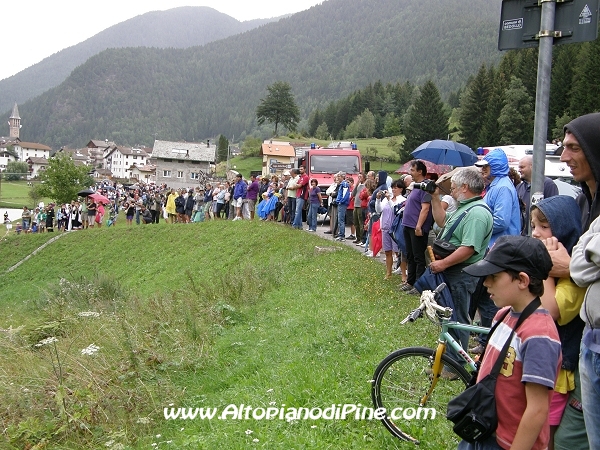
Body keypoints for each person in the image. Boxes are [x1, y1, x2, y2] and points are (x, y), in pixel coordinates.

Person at [460, 235, 561, 450]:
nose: (486, 282)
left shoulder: (539, 335)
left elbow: (537, 409)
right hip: (485, 430)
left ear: (522, 280)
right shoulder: (503, 315)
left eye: (494, 276)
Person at [529, 195, 586, 448]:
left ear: (564, 229)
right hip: (538, 364)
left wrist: (547, 269)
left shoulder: (574, 280)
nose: (536, 233)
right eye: (533, 226)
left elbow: (550, 311)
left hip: (558, 372)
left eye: (544, 226)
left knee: (546, 437)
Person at [428, 167, 493, 369]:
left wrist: (442, 263)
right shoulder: (465, 208)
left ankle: (455, 366)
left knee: (457, 317)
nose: (452, 191)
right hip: (454, 271)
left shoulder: (476, 213)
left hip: (461, 272)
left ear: (465, 187)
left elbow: (468, 249)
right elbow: (441, 221)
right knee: (451, 315)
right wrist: (434, 198)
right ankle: (449, 358)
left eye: (454, 187)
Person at [470, 149, 521, 354]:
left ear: (496, 167)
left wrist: (479, 221)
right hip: (492, 247)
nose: (483, 171)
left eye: (486, 167)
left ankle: (489, 341)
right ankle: (485, 339)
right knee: (485, 297)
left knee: (491, 296)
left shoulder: (503, 188)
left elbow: (501, 220)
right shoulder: (495, 186)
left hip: (498, 248)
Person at [401, 161, 434, 293]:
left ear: (420, 171)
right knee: (410, 255)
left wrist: (419, 226)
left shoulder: (425, 187)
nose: (410, 172)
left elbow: (425, 209)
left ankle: (419, 285)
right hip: (408, 225)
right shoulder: (415, 186)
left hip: (417, 227)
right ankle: (410, 281)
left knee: (418, 256)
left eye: (413, 170)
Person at [516, 155, 558, 235]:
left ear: (532, 167)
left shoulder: (547, 185)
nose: (519, 170)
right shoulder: (519, 187)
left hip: (540, 236)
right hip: (523, 236)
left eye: (522, 167)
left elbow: (553, 213)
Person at [375, 179, 406, 279]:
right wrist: (378, 199)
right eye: (392, 187)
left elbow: (395, 211)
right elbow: (379, 210)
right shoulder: (387, 199)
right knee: (388, 251)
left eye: (396, 188)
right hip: (385, 228)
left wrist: (389, 199)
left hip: (396, 229)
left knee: (398, 252)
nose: (393, 190)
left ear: (401, 189)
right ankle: (388, 272)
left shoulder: (403, 200)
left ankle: (403, 273)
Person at [335, 172, 351, 241]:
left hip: (342, 203)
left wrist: (341, 201)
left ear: (343, 177)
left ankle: (342, 235)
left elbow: (345, 194)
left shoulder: (344, 184)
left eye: (339, 176)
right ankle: (340, 234)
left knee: (341, 220)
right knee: (339, 219)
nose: (338, 178)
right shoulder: (341, 184)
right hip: (340, 203)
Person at [292, 165, 309, 230]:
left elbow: (299, 185)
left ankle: (295, 224)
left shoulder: (305, 177)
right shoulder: (301, 177)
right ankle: (300, 225)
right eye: (299, 169)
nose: (300, 170)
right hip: (298, 194)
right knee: (299, 211)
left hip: (302, 195)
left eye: (301, 169)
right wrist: (296, 185)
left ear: (305, 169)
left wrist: (294, 186)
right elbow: (297, 184)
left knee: (297, 211)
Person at [352, 172, 366, 244]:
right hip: (355, 205)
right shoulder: (358, 185)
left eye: (361, 177)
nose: (359, 178)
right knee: (356, 222)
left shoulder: (365, 185)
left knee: (361, 223)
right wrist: (356, 184)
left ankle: (361, 238)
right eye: (358, 177)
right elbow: (353, 194)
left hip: (361, 205)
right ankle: (357, 237)